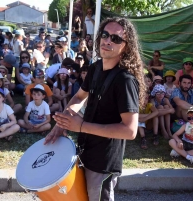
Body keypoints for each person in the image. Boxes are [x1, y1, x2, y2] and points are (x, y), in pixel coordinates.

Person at [45, 17, 146, 200]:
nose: (107, 41)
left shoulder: (125, 80)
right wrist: (62, 123)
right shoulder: (95, 67)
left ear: (126, 45)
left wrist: (81, 126)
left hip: (104, 162)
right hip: (85, 151)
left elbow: (130, 131)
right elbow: (78, 97)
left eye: (116, 38)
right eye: (105, 35)